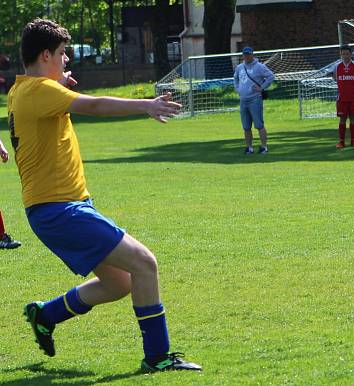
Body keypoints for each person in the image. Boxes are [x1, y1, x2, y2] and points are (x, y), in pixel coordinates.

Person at [8, 19, 201, 371]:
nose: (67, 61)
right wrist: (146, 105)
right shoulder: (41, 92)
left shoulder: (23, 90)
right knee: (145, 263)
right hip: (59, 209)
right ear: (46, 54)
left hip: (65, 206)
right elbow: (94, 106)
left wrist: (58, 84)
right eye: (63, 54)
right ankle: (158, 357)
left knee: (119, 283)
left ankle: (45, 315)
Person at [326, 45, 354, 148]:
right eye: (343, 54)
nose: (345, 56)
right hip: (341, 98)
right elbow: (327, 72)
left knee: (353, 118)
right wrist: (334, 77)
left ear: (350, 54)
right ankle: (341, 141)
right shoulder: (337, 66)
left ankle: (353, 140)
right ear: (340, 55)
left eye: (347, 53)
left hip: (353, 97)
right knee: (342, 119)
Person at [233, 46, 274, 154]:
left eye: (248, 54)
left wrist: (262, 87)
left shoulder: (259, 67)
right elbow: (235, 79)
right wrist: (238, 89)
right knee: (246, 126)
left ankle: (264, 147)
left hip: (255, 99)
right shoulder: (239, 67)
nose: (247, 56)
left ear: (252, 54)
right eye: (245, 54)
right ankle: (249, 148)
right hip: (243, 100)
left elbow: (270, 76)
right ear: (242, 55)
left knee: (259, 124)